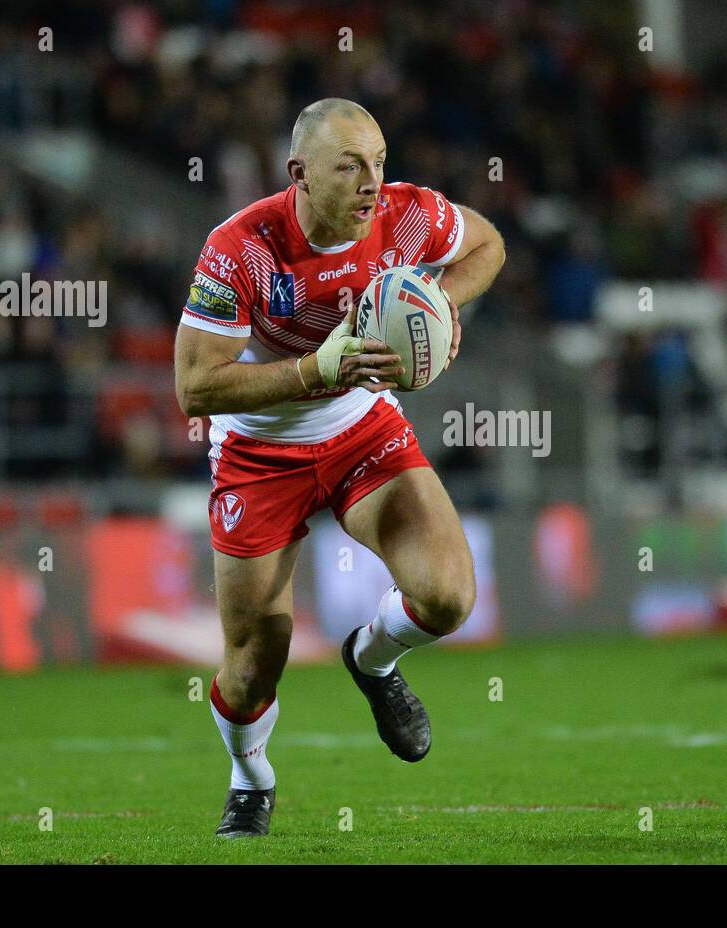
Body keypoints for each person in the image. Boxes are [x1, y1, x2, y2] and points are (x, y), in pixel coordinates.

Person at [173, 98, 506, 838]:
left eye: (380, 161)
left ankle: (372, 657)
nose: (371, 181)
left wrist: (438, 303)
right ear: (299, 173)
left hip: (361, 431)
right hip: (260, 450)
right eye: (350, 165)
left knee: (447, 595)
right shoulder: (241, 249)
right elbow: (194, 385)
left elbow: (488, 244)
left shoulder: (406, 215)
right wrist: (311, 369)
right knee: (255, 661)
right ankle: (250, 776)